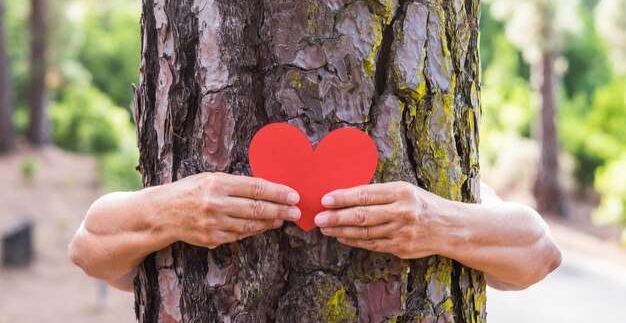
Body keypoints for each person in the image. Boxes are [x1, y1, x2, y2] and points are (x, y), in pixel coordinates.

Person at [68, 172, 561, 292]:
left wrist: (441, 222)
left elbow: (539, 252)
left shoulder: (448, 183)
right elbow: (89, 250)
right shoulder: (184, 182)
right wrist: (167, 210)